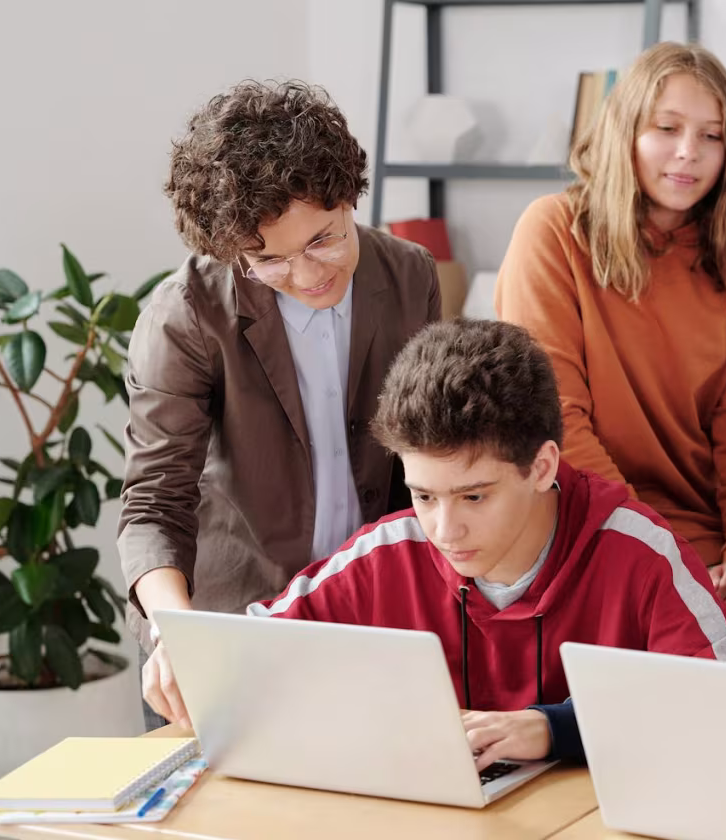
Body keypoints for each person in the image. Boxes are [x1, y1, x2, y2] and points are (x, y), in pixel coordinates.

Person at [150, 318, 726, 765]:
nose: (443, 530)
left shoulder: (640, 553)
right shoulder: (388, 552)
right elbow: (244, 651)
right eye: (423, 495)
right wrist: (187, 659)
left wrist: (557, 730)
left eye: (474, 496)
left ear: (542, 467)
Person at [123, 79, 439, 728]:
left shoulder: (410, 277)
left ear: (351, 195)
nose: (307, 274)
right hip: (230, 637)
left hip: (375, 625)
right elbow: (155, 502)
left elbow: (424, 465)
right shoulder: (184, 316)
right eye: (269, 260)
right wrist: (178, 638)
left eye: (324, 239)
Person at [496, 42, 726, 609]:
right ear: (626, 131)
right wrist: (650, 542)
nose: (688, 153)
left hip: (706, 547)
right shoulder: (553, 231)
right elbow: (557, 417)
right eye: (666, 128)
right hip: (580, 524)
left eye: (712, 136)